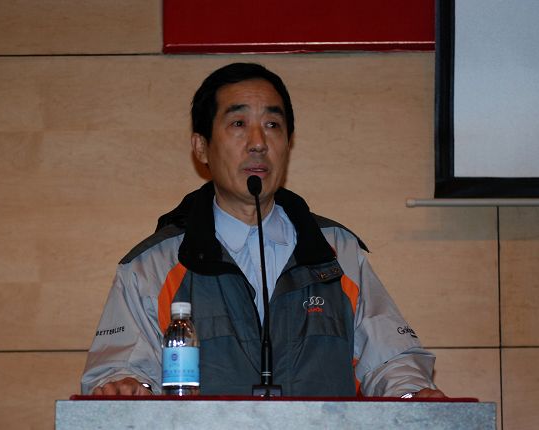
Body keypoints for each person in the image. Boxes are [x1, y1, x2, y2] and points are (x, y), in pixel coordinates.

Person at [81, 62, 444, 398]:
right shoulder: (153, 265)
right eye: (238, 124)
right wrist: (126, 388)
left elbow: (389, 360)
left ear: (288, 143)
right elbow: (122, 370)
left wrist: (412, 396)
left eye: (272, 125)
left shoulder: (336, 252)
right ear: (202, 147)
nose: (258, 143)